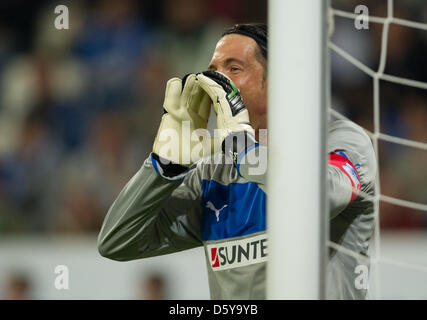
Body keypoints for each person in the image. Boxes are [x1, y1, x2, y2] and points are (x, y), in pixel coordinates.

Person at [98, 23, 377, 299]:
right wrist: (162, 169)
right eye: (213, 71)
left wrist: (244, 150)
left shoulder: (339, 141)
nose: (218, 83)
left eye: (233, 68)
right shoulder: (214, 172)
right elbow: (117, 242)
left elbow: (316, 200)